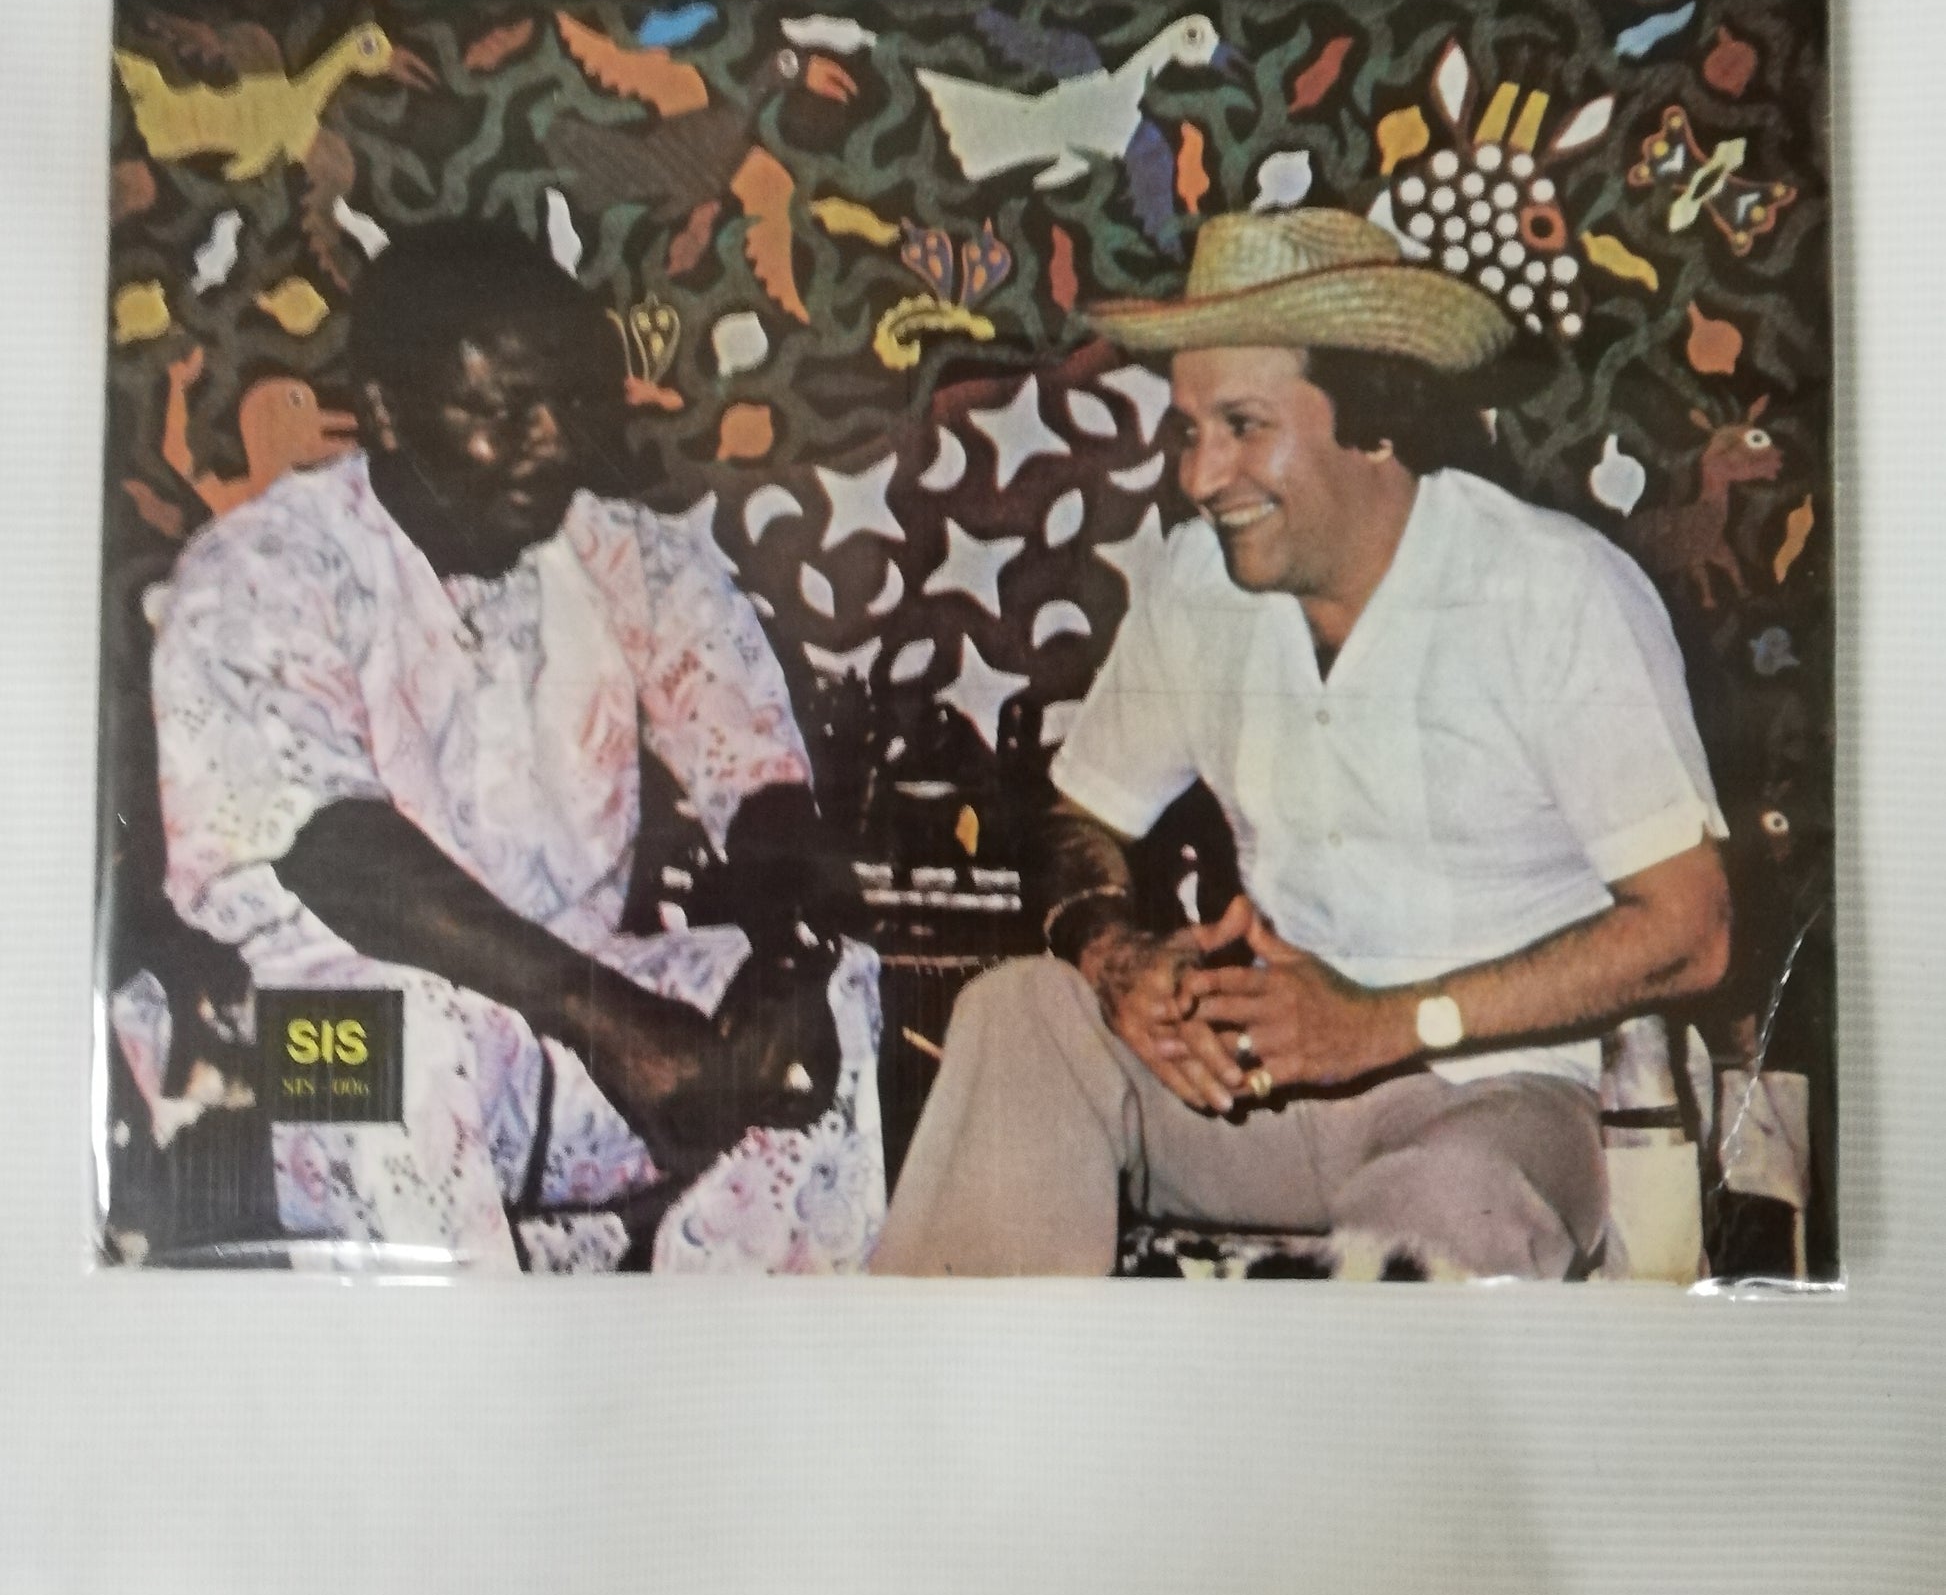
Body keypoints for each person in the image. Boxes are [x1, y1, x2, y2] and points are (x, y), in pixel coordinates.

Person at [872, 208, 1730, 1279]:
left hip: (1512, 1096)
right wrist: (1113, 953)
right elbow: (1074, 818)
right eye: (1189, 432)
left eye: (1242, 424)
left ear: (1372, 418)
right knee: (1018, 1012)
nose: (1200, 476)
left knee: (1436, 1209)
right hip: (1265, 1094)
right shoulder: (1196, 586)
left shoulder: (1549, 590)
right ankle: (991, 1380)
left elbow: (1690, 929)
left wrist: (1388, 1023)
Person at [149, 222, 882, 1274]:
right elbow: (340, 854)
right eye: (504, 411)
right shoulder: (265, 567)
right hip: (278, 1043)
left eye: (571, 404)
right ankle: (464, 1376)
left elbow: (761, 786)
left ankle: (727, 1352)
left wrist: (787, 962)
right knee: (401, 1037)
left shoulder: (626, 555)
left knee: (835, 997)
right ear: (387, 410)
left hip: (555, 1027)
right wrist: (608, 1018)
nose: (553, 441)